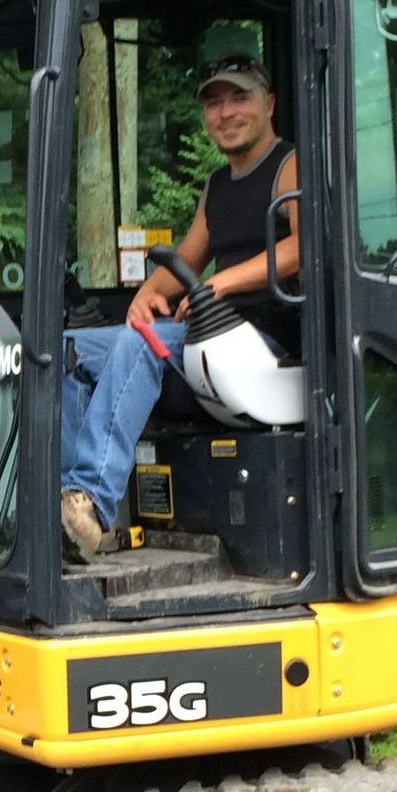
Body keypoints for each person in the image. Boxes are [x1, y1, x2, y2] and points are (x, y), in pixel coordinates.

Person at [60, 53, 300, 562]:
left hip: (269, 343)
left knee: (141, 343)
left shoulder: (288, 165)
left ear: (269, 104)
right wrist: (149, 293)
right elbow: (185, 260)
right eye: (214, 103)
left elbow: (304, 246)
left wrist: (220, 284)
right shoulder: (217, 187)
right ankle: (67, 509)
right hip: (212, 340)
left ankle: (94, 501)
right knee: (68, 350)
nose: (225, 113)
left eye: (239, 98)